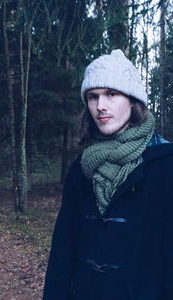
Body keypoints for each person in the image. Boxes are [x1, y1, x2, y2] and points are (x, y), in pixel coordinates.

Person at [43, 49, 173, 300]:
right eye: (93, 97)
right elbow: (63, 253)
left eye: (111, 94)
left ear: (133, 101)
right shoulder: (82, 168)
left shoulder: (166, 165)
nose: (100, 106)